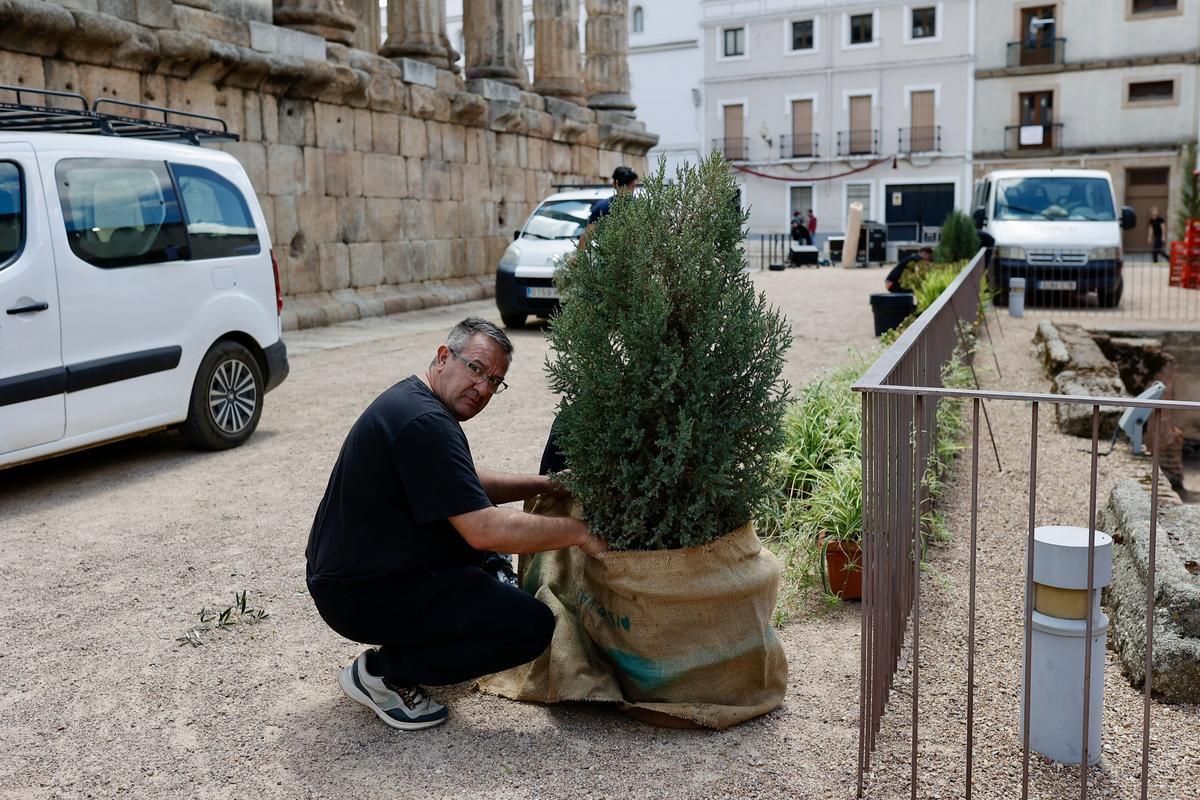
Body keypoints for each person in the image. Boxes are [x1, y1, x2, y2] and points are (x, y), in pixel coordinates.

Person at [305, 317, 607, 731]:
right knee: (528, 626)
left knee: (488, 572)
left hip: (358, 575)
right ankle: (385, 673)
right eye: (476, 369)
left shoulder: (415, 402)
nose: (483, 388)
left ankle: (417, 645)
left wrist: (545, 484)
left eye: (495, 381)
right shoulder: (425, 422)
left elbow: (465, 482)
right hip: (361, 594)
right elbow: (485, 529)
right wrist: (581, 534)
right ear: (444, 356)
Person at [578, 166, 639, 249]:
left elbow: (587, 236)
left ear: (614, 184)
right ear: (633, 184)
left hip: (609, 257)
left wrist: (580, 258)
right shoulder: (642, 206)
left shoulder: (602, 207)